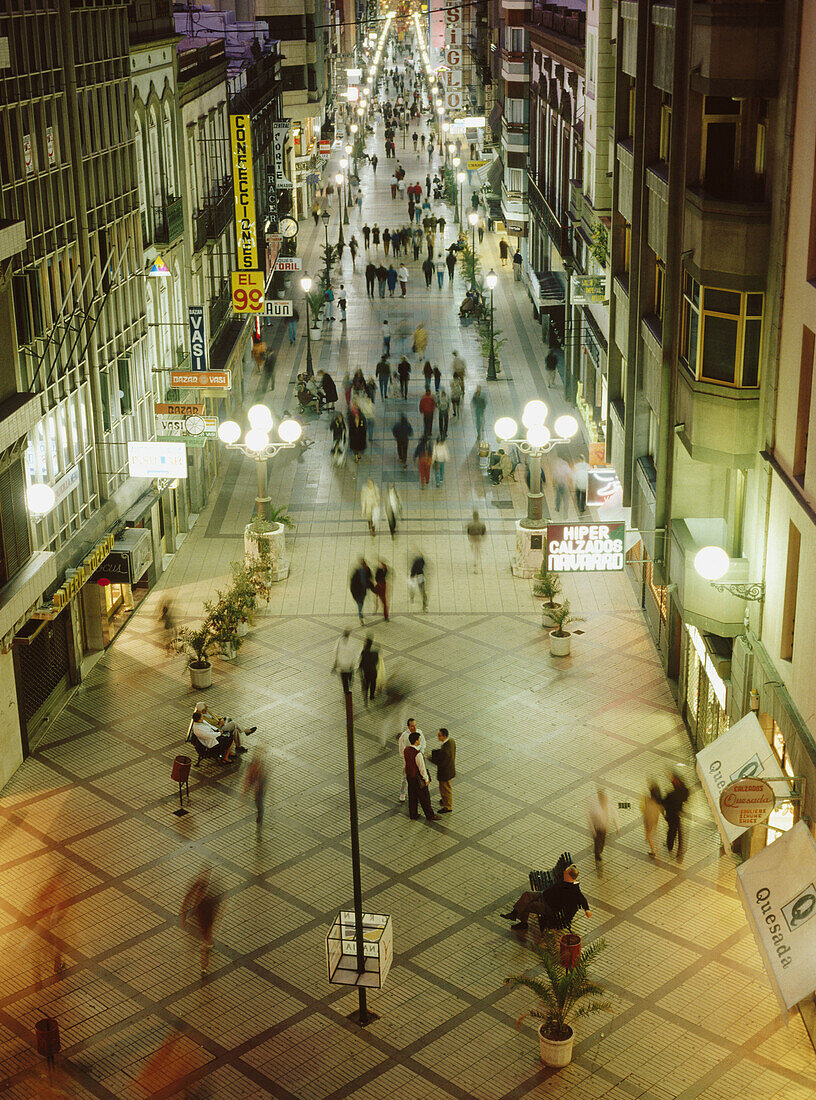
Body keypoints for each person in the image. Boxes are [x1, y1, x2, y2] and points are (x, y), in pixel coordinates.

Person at [500, 865, 591, 932]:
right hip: (543, 895)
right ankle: (514, 913)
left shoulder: (573, 889)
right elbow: (572, 868)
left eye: (566, 872)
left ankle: (523, 923)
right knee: (527, 894)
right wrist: (572, 867)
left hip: (549, 907)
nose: (564, 872)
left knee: (528, 905)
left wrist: (587, 909)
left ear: (570, 876)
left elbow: (582, 898)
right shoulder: (565, 879)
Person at [180, 868, 221, 971]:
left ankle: (207, 944)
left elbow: (188, 898)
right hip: (202, 913)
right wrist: (184, 914)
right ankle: (204, 958)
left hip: (202, 913)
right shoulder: (200, 886)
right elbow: (189, 898)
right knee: (206, 934)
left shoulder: (201, 886)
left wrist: (184, 915)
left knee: (206, 933)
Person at [404, 730, 440, 821]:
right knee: (425, 798)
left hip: (409, 777)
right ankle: (430, 815)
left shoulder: (406, 750)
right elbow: (422, 768)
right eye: (419, 739)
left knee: (412, 796)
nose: (420, 740)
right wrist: (426, 779)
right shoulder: (418, 754)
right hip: (417, 778)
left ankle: (413, 814)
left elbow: (406, 763)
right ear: (416, 741)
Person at [662, 772, 690, 861]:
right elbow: (685, 797)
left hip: (672, 815)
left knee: (672, 831)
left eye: (673, 779)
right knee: (679, 834)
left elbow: (664, 803)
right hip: (678, 814)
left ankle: (670, 846)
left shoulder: (672, 795)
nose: (671, 781)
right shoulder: (683, 789)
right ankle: (679, 854)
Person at [588, 787, 620, 861]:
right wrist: (592, 830)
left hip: (604, 827)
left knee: (602, 840)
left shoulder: (609, 806)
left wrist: (617, 827)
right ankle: (597, 853)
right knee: (598, 840)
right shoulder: (596, 808)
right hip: (597, 827)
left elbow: (615, 815)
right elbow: (590, 817)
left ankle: (599, 851)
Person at [398, 718, 426, 801]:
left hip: (418, 758)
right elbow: (401, 749)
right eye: (412, 726)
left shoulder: (419, 732)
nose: (414, 727)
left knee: (419, 776)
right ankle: (402, 793)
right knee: (405, 777)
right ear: (408, 726)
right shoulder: (404, 736)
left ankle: (418, 793)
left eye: (415, 725)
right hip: (408, 760)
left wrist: (421, 751)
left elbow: (423, 743)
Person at [430, 728, 456, 813]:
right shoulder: (451, 741)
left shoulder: (445, 750)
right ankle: (445, 800)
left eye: (439, 735)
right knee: (447, 787)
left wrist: (430, 758)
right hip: (450, 769)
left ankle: (447, 806)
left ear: (444, 736)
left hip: (445, 773)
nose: (438, 737)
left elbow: (440, 762)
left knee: (445, 789)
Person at [243, 753, 268, 828]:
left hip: (260, 788)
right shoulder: (254, 769)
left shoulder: (259, 770)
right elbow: (249, 780)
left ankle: (260, 814)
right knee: (258, 802)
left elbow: (251, 780)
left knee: (259, 802)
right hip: (258, 788)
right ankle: (260, 813)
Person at [641, 783, 664, 858]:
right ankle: (657, 847)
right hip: (655, 818)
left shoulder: (647, 799)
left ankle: (653, 851)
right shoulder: (658, 801)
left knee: (648, 835)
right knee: (654, 831)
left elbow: (642, 808)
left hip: (648, 819)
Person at [359, 636, 380, 704]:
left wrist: (361, 673)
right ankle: (371, 695)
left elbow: (361, 663)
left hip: (366, 672)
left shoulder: (363, 653)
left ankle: (365, 697)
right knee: (373, 684)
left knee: (366, 685)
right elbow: (377, 662)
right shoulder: (375, 653)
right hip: (373, 671)